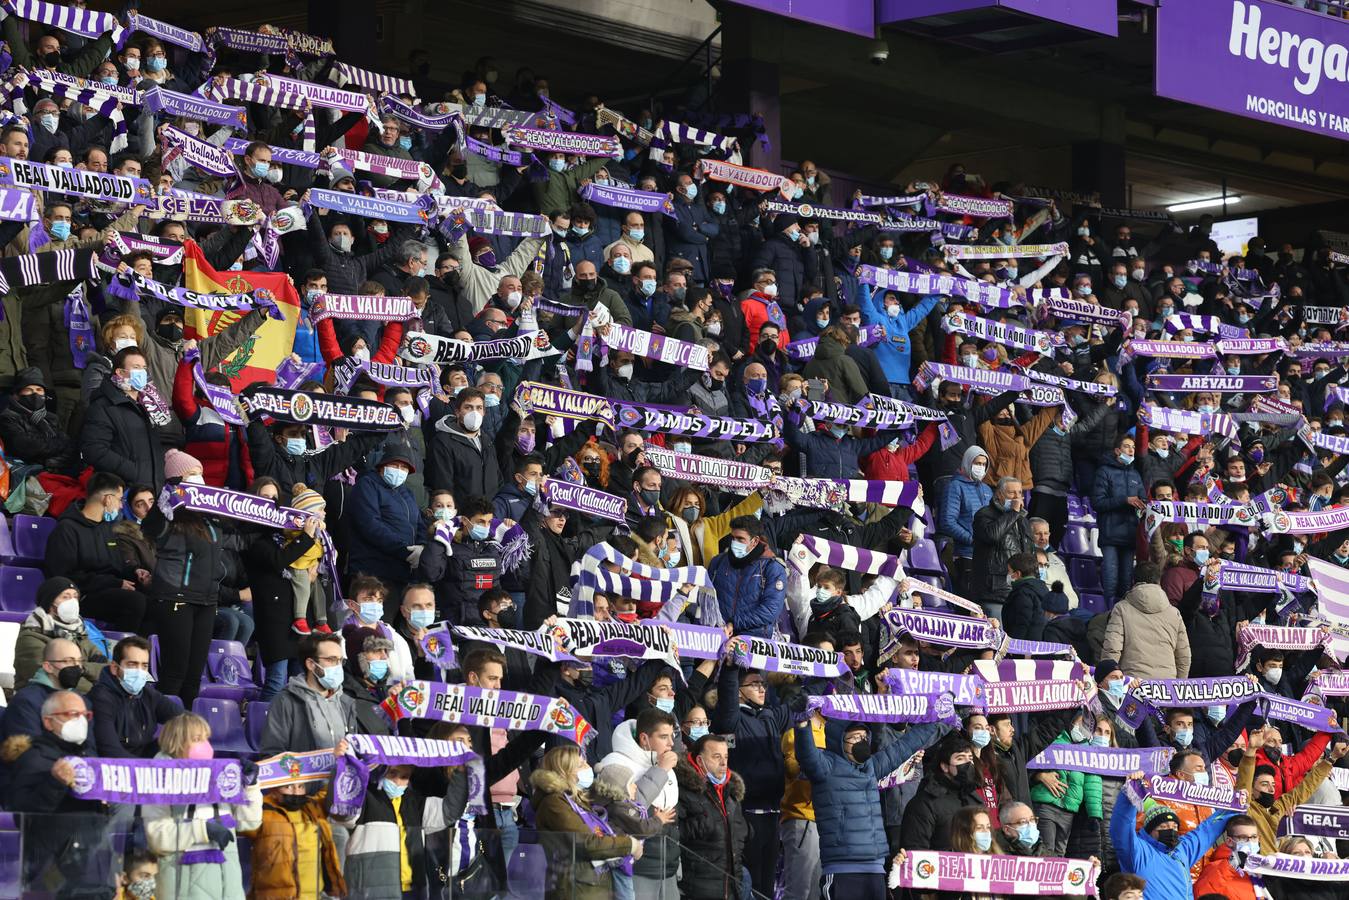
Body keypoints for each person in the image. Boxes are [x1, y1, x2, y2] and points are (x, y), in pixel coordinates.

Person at [795, 714, 947, 900]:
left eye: (864, 737)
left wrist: (945, 719)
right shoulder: (825, 767)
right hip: (842, 870)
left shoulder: (871, 768)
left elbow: (906, 745)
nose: (862, 742)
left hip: (875, 869)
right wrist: (802, 724)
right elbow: (806, 754)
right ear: (839, 740)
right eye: (855, 737)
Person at [1, 690, 114, 895]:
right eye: (72, 714)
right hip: (54, 876)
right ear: (48, 722)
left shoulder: (87, 757)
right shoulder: (34, 759)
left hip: (91, 868)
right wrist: (54, 782)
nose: (80, 721)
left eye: (85, 715)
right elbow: (22, 812)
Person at [144, 712, 264, 900]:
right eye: (196, 739)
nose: (205, 745)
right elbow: (157, 837)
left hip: (229, 889)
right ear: (177, 743)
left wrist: (251, 787)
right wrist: (202, 830)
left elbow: (249, 823)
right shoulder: (160, 779)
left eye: (206, 738)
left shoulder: (218, 777)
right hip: (183, 890)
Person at [531, 744, 640, 900]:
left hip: (589, 887)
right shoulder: (554, 803)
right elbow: (587, 842)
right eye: (581, 765)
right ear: (564, 771)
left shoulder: (575, 798)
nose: (589, 767)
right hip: (574, 890)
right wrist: (629, 845)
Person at [45, 470, 149, 632]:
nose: (121, 506)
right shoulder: (67, 529)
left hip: (109, 589)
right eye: (120, 499)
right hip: (83, 595)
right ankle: (122, 647)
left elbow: (116, 566)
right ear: (107, 499)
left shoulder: (106, 528)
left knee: (157, 602)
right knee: (135, 602)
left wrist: (135, 572)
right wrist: (114, 583)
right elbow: (65, 577)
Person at [596, 708, 682, 900]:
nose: (671, 743)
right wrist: (660, 770)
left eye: (672, 736)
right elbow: (630, 809)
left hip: (668, 866)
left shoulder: (664, 763)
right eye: (664, 737)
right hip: (636, 867)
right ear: (644, 739)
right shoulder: (616, 764)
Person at [1110, 772, 1234, 900]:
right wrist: (1129, 793)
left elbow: (1208, 829)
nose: (1170, 830)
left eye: (1174, 827)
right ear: (1150, 830)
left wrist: (1235, 806)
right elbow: (1121, 826)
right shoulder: (1137, 851)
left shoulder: (1183, 850)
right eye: (1163, 827)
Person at [257, 632, 360, 756]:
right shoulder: (286, 702)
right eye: (331, 660)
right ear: (311, 664)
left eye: (340, 661)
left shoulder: (346, 702)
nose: (338, 667)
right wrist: (329, 758)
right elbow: (272, 755)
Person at [241, 782, 347, 900]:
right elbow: (243, 823)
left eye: (301, 786)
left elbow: (334, 793)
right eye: (288, 787)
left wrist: (339, 774)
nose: (296, 792)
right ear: (274, 788)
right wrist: (251, 787)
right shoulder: (261, 811)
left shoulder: (313, 807)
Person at [675, 734, 748, 900]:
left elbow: (738, 835)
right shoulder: (682, 788)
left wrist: (745, 831)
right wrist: (703, 824)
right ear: (700, 761)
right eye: (716, 757)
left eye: (726, 757)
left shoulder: (731, 791)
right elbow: (673, 833)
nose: (723, 763)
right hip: (697, 890)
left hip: (731, 888)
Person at [87, 635, 181, 758]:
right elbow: (109, 751)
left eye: (144, 666)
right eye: (132, 664)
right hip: (114, 765)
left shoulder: (147, 693)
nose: (139, 671)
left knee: (185, 735)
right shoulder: (100, 698)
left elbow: (184, 719)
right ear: (114, 668)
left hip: (143, 761)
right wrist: (149, 766)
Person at [12, 576, 109, 693]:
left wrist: (82, 670)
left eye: (75, 597)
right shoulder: (31, 637)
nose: (72, 602)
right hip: (43, 698)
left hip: (82, 697)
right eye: (65, 597)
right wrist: (94, 681)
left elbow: (107, 671)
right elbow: (52, 677)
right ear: (49, 602)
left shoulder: (78, 633)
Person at [1100, 562, 1192, 679]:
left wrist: (1109, 679)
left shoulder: (1121, 609)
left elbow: (1112, 649)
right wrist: (1178, 684)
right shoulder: (1174, 613)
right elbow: (1184, 656)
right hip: (1166, 684)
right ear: (1159, 582)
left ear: (1134, 582)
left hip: (1133, 683)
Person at [707, 516, 786, 638]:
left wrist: (733, 623)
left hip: (754, 638)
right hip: (718, 634)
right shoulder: (718, 562)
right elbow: (706, 600)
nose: (734, 543)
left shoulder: (772, 568)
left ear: (755, 541)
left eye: (740, 539)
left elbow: (770, 610)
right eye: (733, 538)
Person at [1092, 434, 1146, 603]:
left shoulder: (1136, 475)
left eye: (1133, 447)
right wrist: (1124, 500)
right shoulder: (1104, 472)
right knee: (1111, 579)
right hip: (1110, 534)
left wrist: (1143, 506)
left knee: (1126, 580)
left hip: (1130, 535)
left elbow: (1143, 499)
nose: (1131, 450)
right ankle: (1107, 612)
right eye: (1126, 446)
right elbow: (1097, 503)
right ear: (1117, 450)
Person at [971, 475, 1034, 618]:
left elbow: (1029, 554)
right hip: (995, 592)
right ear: (999, 494)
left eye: (1020, 493)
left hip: (1019, 592)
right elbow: (992, 535)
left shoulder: (1023, 520)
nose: (1017, 497)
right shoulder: (984, 514)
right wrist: (1013, 513)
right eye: (1012, 493)